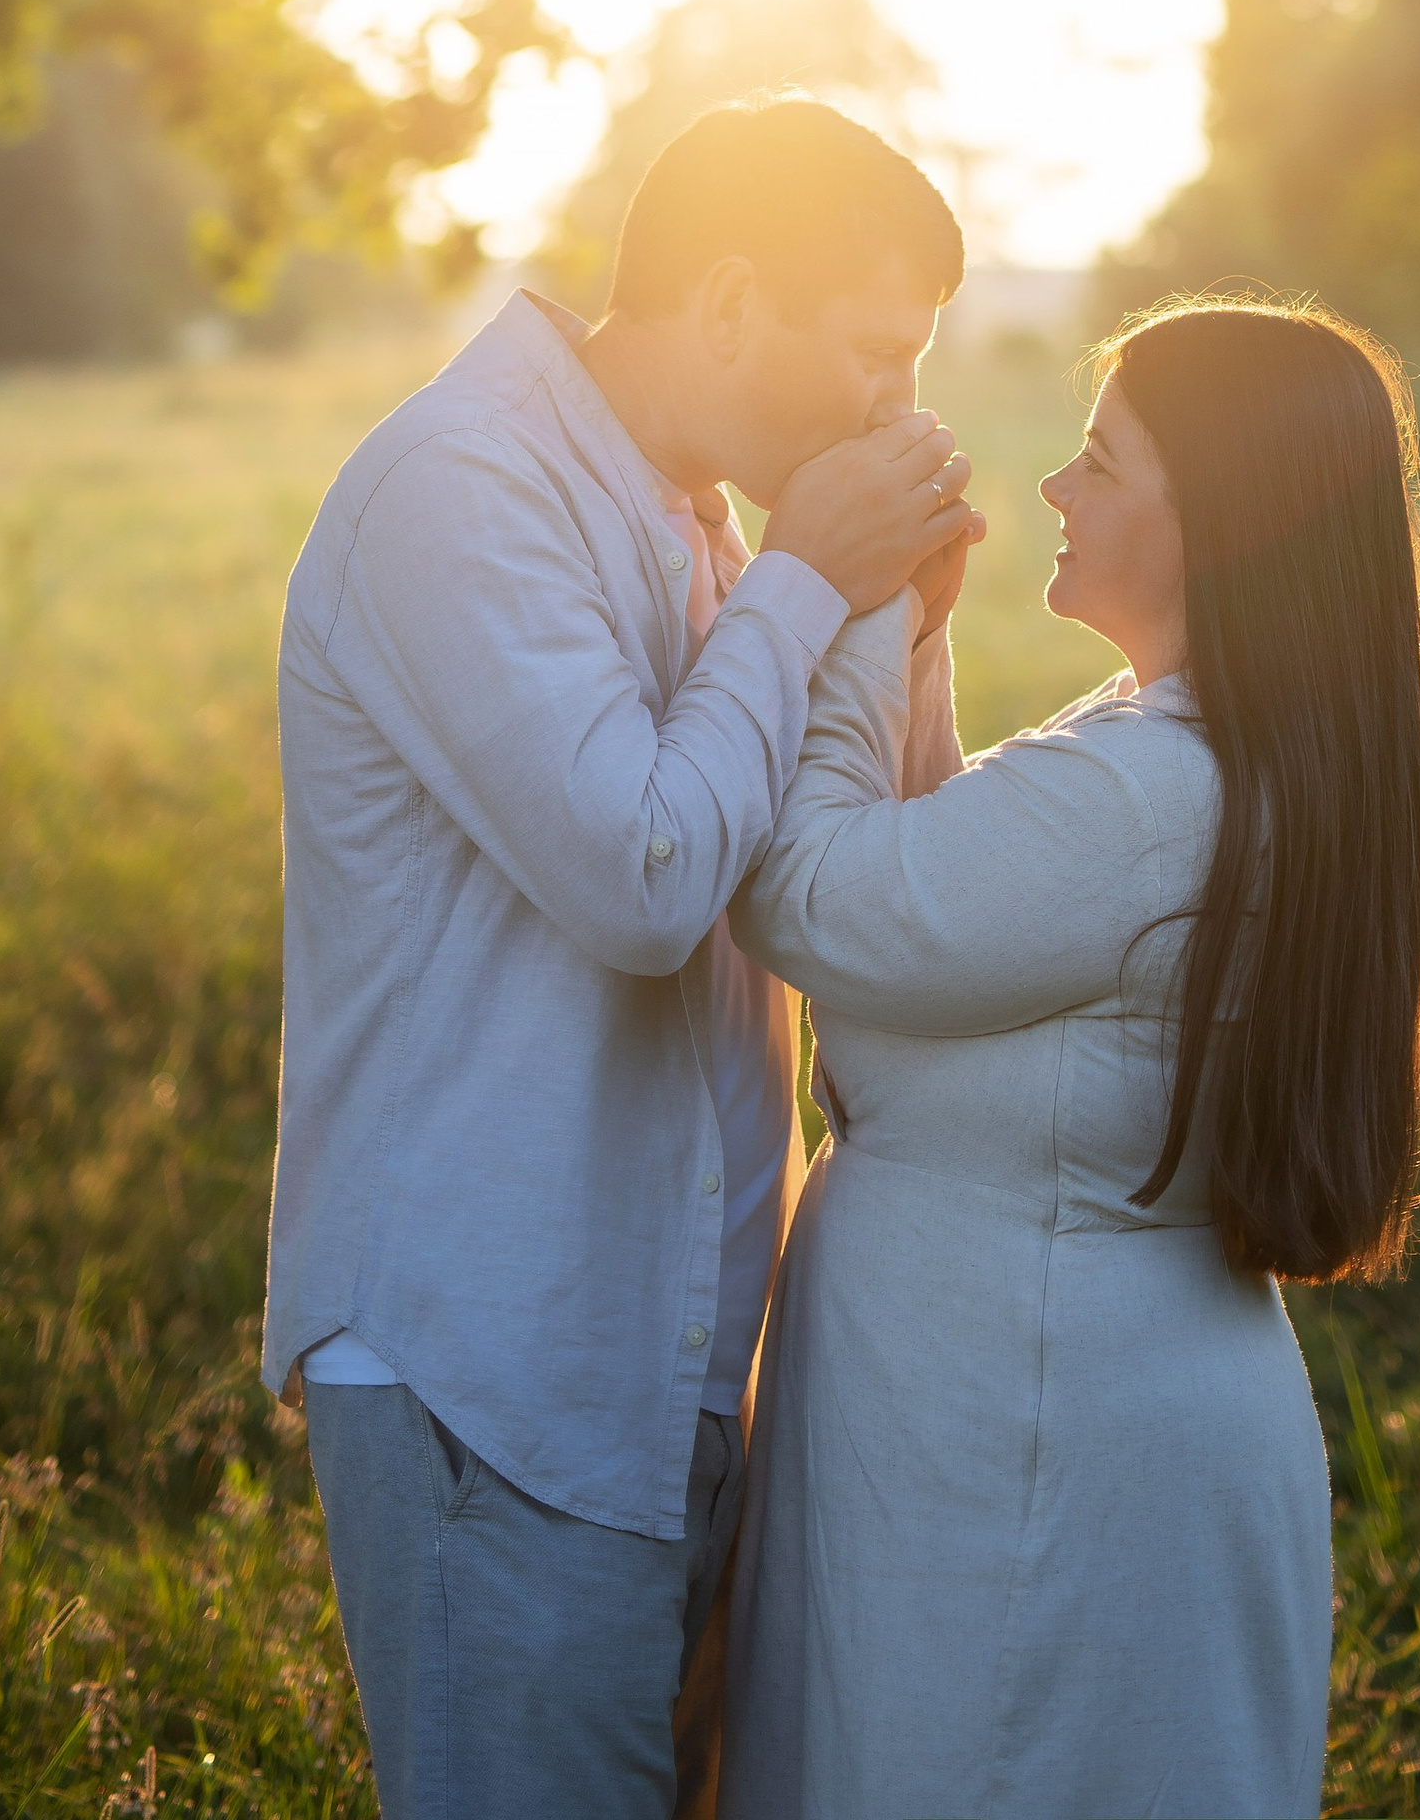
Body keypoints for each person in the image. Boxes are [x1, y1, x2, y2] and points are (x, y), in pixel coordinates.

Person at [262, 95, 983, 1819]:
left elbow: (851, 894)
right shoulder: (465, 485)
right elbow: (647, 873)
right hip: (494, 1370)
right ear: (730, 306)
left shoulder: (701, 519)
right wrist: (808, 580)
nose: (901, 405)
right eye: (875, 354)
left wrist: (904, 638)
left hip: (666, 1376)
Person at [721, 292, 1420, 1820]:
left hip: (1027, 1449)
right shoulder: (1198, 749)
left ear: (1219, 525)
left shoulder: (1148, 791)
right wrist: (916, 640)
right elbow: (950, 897)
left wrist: (843, 605)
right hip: (1046, 1412)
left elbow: (817, 897)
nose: (1052, 490)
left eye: (1102, 463)